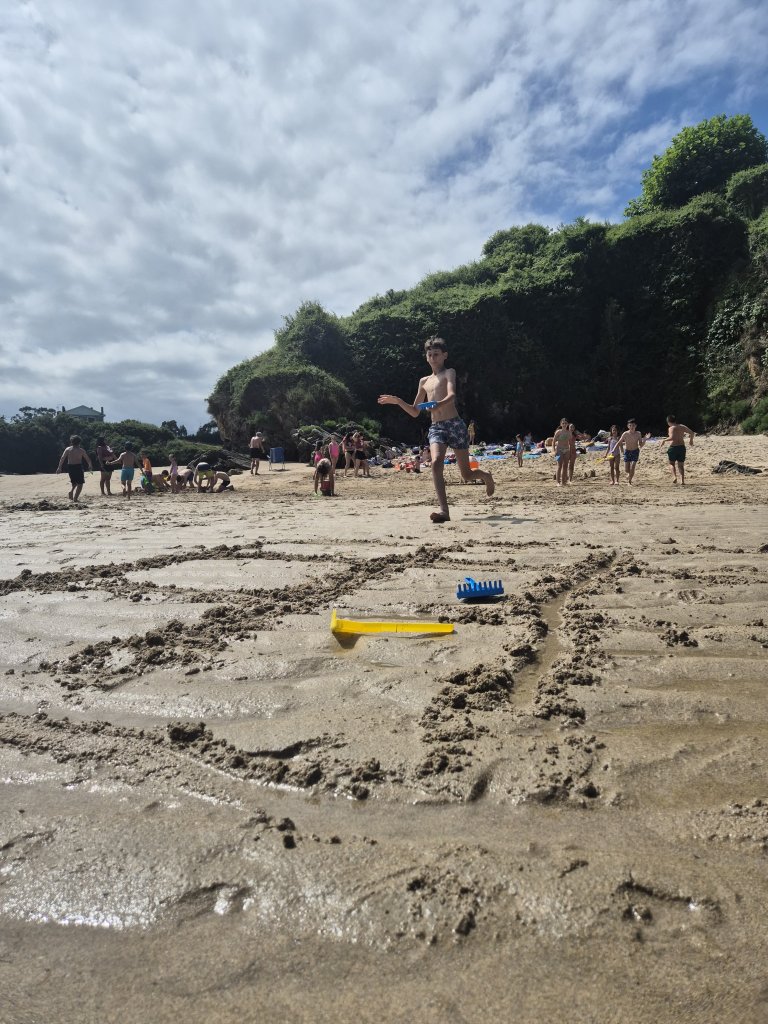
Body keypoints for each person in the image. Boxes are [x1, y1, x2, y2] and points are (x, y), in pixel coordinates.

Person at [378, 336, 494, 523]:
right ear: (426, 357)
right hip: (437, 427)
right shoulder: (424, 381)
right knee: (436, 462)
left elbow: (452, 395)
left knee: (466, 474)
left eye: (436, 354)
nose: (433, 358)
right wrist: (398, 401)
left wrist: (437, 404)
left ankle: (485, 476)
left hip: (454, 424)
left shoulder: (449, 373)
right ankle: (444, 511)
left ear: (444, 355)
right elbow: (415, 411)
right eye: (430, 355)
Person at [57, 435, 93, 502]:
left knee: (74, 482)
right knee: (80, 483)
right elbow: (88, 459)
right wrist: (90, 466)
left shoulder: (68, 449)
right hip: (78, 467)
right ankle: (75, 498)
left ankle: (71, 492)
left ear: (71, 442)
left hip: (70, 467)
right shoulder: (81, 450)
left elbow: (62, 458)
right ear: (79, 442)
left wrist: (59, 467)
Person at [666, 415, 695, 485]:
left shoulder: (671, 428)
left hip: (673, 447)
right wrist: (691, 440)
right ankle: (682, 481)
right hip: (682, 447)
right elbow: (692, 432)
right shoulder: (682, 426)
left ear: (669, 422)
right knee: (681, 465)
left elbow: (672, 438)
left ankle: (674, 477)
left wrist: (664, 440)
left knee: (671, 463)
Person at [616, 418, 644, 485]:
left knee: (633, 466)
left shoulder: (638, 433)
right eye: (630, 425)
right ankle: (629, 474)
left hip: (635, 451)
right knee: (626, 470)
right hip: (627, 451)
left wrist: (645, 439)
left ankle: (629, 482)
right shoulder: (625, 433)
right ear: (628, 426)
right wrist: (613, 449)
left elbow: (641, 445)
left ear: (635, 426)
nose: (632, 427)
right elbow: (619, 442)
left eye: (633, 425)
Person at [552, 418, 571, 486]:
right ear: (561, 424)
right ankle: (558, 482)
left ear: (567, 424)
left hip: (567, 450)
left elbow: (570, 442)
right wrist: (554, 450)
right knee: (559, 466)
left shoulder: (569, 432)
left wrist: (571, 451)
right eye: (563, 423)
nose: (564, 424)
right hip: (559, 450)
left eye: (565, 423)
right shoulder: (558, 432)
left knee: (565, 466)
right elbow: (553, 441)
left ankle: (564, 481)